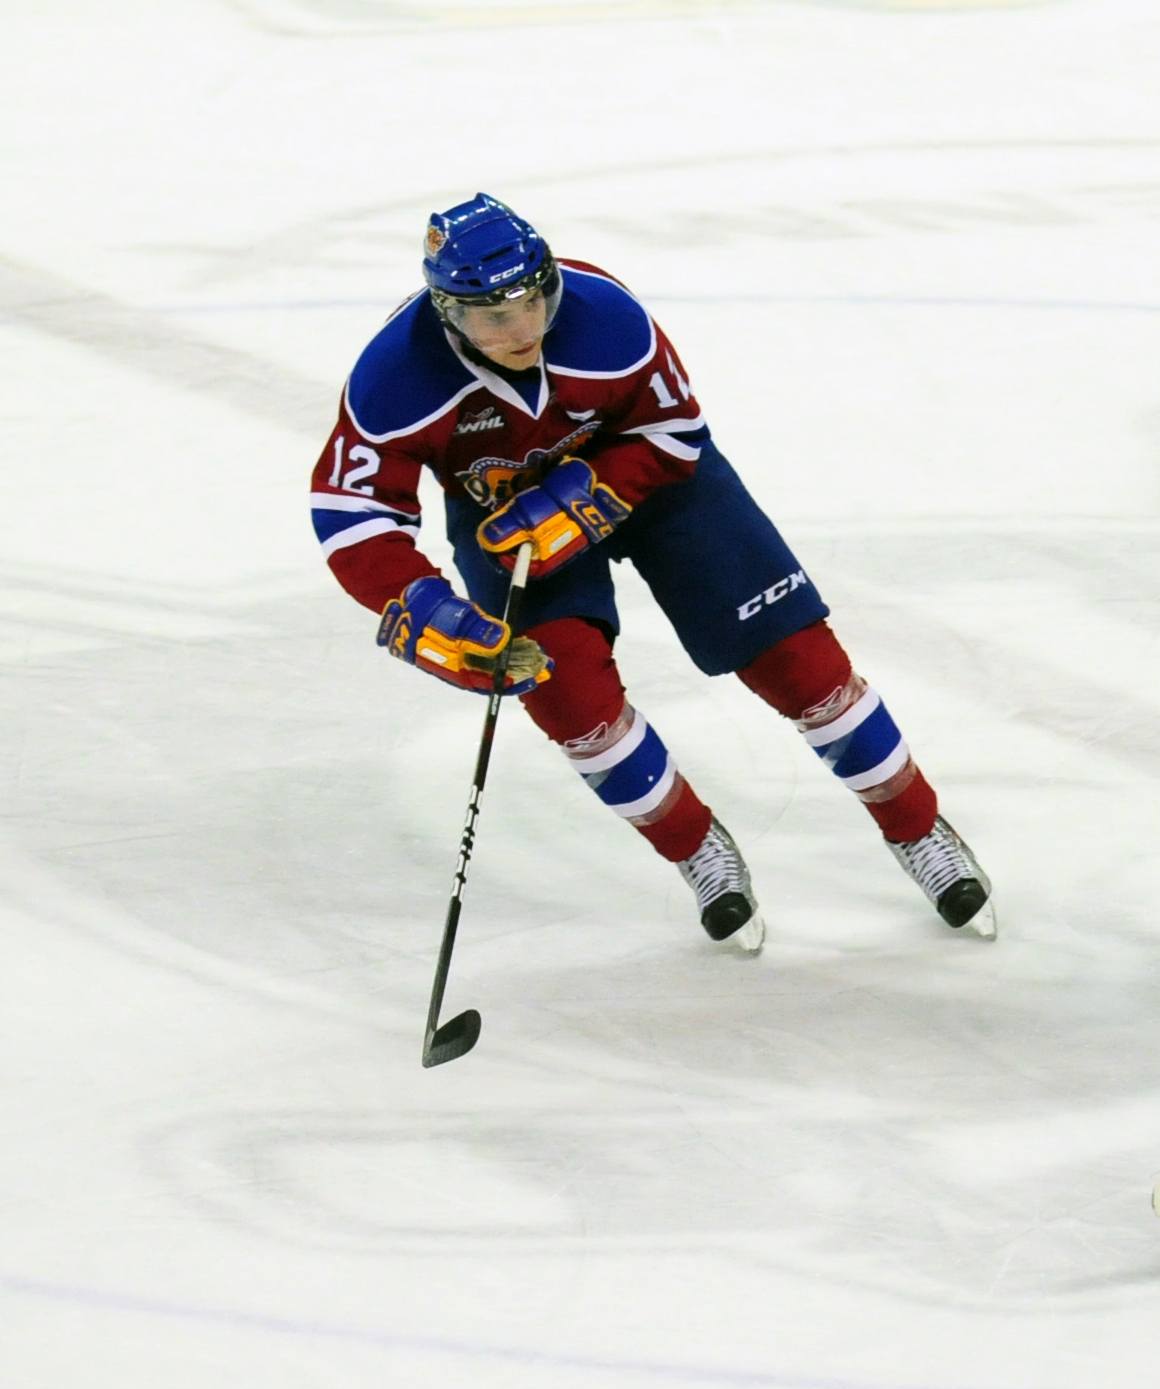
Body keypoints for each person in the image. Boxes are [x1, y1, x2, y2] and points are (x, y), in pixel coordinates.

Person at [310, 194, 994, 951]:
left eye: (533, 300)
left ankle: (918, 831)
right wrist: (428, 611)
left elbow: (674, 432)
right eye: (492, 317)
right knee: (569, 698)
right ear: (448, 313)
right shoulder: (393, 378)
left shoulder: (605, 318)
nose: (524, 328)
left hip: (656, 485)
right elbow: (355, 517)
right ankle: (698, 850)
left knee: (800, 663)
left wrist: (592, 495)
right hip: (506, 525)